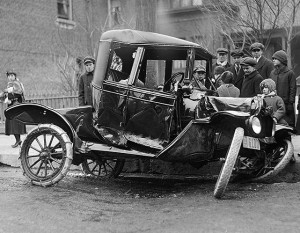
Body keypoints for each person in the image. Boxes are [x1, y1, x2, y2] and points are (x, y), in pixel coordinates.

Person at [269, 50, 296, 127]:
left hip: (286, 104)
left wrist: (291, 103)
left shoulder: (289, 73)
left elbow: (292, 89)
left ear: (281, 60)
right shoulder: (272, 73)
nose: (273, 60)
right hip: (274, 104)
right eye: (273, 59)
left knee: (287, 126)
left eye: (275, 59)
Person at [1, 71, 26, 148]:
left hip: (16, 105)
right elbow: (6, 95)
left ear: (15, 76)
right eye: (9, 76)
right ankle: (18, 140)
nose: (10, 77)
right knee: (12, 123)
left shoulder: (17, 83)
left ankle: (18, 140)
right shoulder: (10, 84)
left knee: (15, 123)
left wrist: (8, 91)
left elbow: (19, 92)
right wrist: (5, 97)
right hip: (11, 105)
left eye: (12, 75)